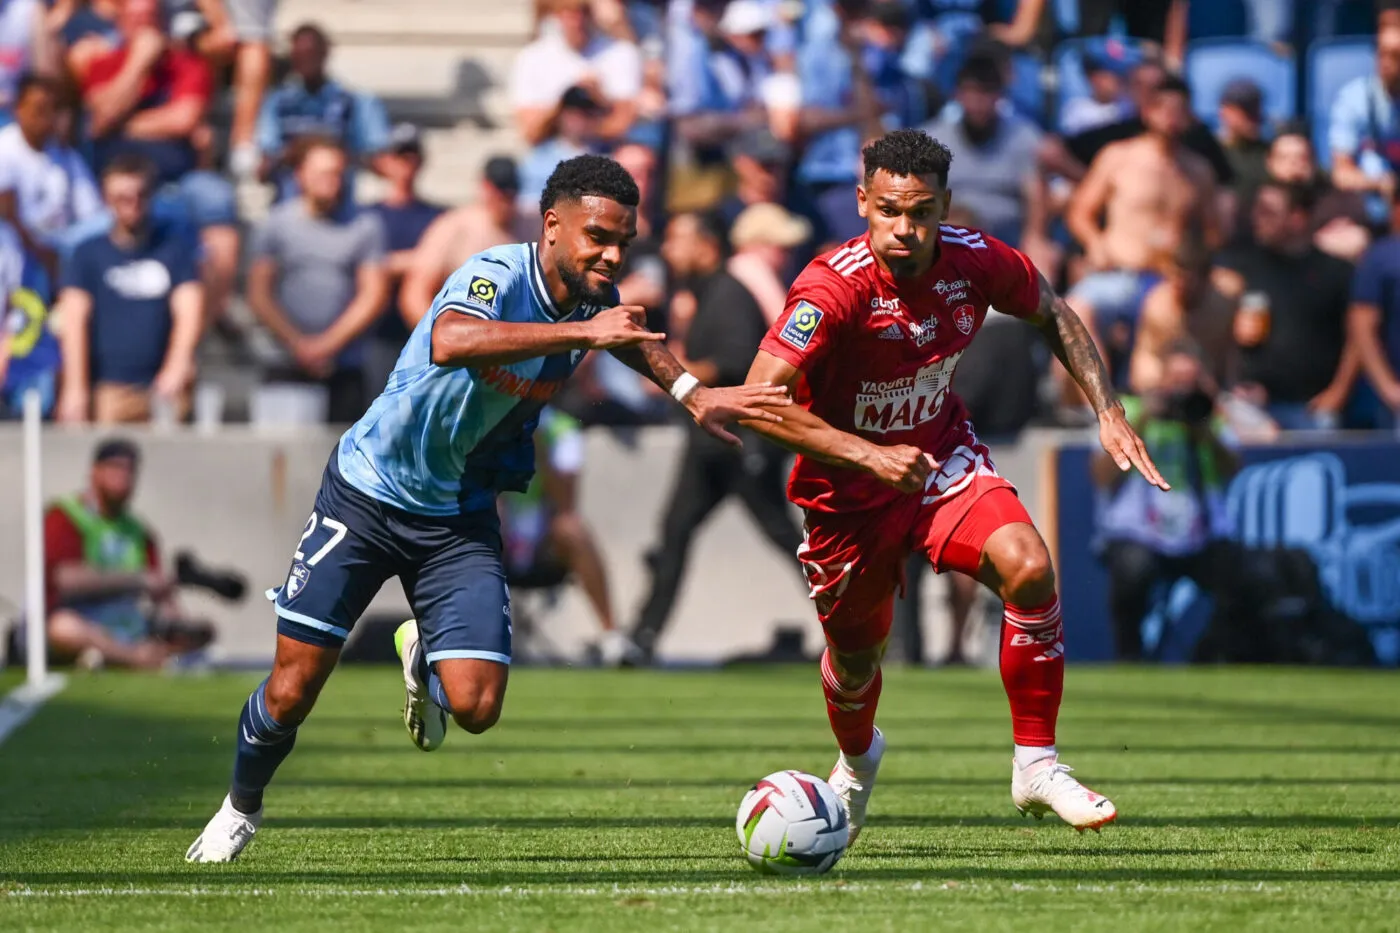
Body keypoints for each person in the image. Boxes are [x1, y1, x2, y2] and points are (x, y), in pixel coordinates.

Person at [184, 154, 789, 863]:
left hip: (457, 512)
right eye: (598, 236)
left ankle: (424, 655)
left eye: (623, 239)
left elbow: (630, 338)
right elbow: (451, 340)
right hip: (367, 492)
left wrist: (693, 393)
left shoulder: (593, 296)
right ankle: (240, 806)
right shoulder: (496, 273)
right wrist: (585, 334)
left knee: (475, 706)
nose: (612, 253)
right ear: (552, 226)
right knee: (292, 689)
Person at [738, 129, 1166, 842]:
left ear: (944, 207)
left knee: (1029, 567)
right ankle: (856, 759)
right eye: (888, 211)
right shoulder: (830, 287)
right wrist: (868, 458)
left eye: (922, 212)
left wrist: (1108, 410)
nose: (904, 229)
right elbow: (758, 398)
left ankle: (1036, 762)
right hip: (844, 494)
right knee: (855, 655)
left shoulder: (976, 261)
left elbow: (1052, 310)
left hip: (941, 460)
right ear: (862, 203)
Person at [629, 211, 805, 664]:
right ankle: (641, 637)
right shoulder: (705, 293)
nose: (668, 250)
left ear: (706, 244)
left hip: (743, 442)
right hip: (711, 446)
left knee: (787, 538)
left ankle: (856, 622)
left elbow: (736, 363)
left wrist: (673, 378)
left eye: (678, 239)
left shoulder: (727, 294)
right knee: (674, 533)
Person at [1093, 342, 1243, 661]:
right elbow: (1101, 475)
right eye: (1175, 382)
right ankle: (1130, 658)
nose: (1181, 391)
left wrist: (1202, 428)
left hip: (1199, 533)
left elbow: (1233, 469)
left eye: (1189, 382)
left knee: (1236, 573)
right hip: (1141, 533)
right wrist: (1146, 416)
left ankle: (1213, 657)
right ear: (1160, 380)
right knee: (1132, 569)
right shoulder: (1127, 413)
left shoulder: (1210, 419)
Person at [1067, 75, 1220, 348]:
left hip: (1169, 283)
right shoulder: (1118, 157)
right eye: (1164, 108)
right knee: (1075, 315)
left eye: (1179, 110)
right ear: (1148, 112)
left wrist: (1192, 265)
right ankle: (1100, 393)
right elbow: (1080, 212)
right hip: (1115, 273)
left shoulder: (1199, 171)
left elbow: (1213, 233)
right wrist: (1096, 244)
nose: (1171, 117)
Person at [245, 138, 389, 424]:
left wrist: (327, 345)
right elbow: (259, 293)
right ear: (300, 175)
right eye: (323, 173)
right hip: (283, 359)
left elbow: (374, 294)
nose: (332, 181)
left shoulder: (366, 226)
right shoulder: (275, 225)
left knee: (341, 459)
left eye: (337, 173)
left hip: (344, 364)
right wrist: (298, 344)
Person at [38, 438, 214, 670]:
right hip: (78, 619)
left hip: (127, 623)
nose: (124, 477)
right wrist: (137, 579)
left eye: (130, 470)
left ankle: (108, 656)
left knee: (201, 630)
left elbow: (161, 596)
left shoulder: (139, 531)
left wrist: (178, 622)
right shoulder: (65, 517)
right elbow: (64, 579)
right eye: (115, 468)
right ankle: (134, 658)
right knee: (63, 629)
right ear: (95, 471)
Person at [55, 154, 202, 424]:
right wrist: (75, 387)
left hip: (162, 386)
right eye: (122, 198)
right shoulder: (88, 254)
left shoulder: (174, 249)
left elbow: (189, 309)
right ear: (106, 199)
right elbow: (73, 319)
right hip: (109, 387)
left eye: (140, 195)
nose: (132, 205)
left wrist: (177, 366)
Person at [1212, 180, 1358, 431]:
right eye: (1256, 210)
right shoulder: (1239, 268)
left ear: (1297, 218)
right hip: (1251, 407)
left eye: (1267, 212)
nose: (1257, 218)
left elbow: (1358, 339)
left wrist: (1338, 392)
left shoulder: (1336, 272)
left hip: (1313, 408)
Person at [498, 407, 637, 666]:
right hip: (498, 535)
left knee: (572, 529)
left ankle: (612, 638)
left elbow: (565, 503)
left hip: (543, 544)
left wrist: (537, 450)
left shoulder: (563, 430)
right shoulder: (488, 419)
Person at [255, 22, 390, 206]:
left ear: (325, 53)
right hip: (290, 207)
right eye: (300, 54)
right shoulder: (276, 103)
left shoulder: (353, 103)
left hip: (340, 208)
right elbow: (263, 170)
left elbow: (379, 163)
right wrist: (294, 154)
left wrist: (331, 152)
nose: (306, 60)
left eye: (311, 53)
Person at [398, 156, 533, 328]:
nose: (504, 200)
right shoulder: (454, 227)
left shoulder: (530, 224)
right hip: (465, 334)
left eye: (510, 193)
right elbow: (415, 293)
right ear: (485, 187)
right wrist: (437, 336)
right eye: (500, 192)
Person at [365, 123, 444, 398]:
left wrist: (390, 264)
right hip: (377, 333)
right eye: (400, 154)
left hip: (423, 334)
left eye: (412, 155)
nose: (406, 163)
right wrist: (419, 261)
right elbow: (363, 268)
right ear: (384, 160)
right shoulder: (367, 216)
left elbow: (449, 265)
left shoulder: (439, 217)